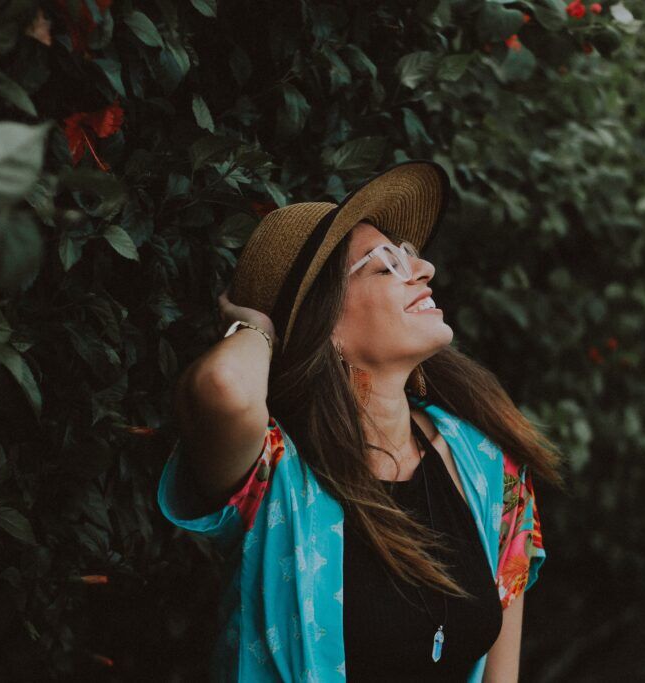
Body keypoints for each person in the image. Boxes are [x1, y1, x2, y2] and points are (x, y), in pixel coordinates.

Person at [157, 160, 565, 682]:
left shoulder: (488, 466)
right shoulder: (273, 474)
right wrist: (259, 326)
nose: (424, 271)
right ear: (326, 326)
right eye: (384, 265)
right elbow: (222, 388)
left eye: (410, 257)